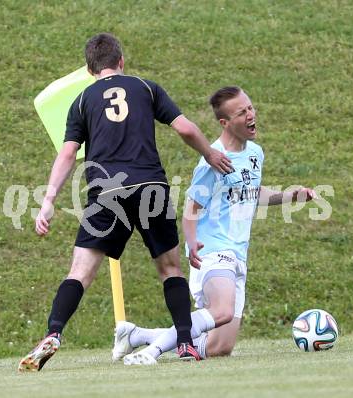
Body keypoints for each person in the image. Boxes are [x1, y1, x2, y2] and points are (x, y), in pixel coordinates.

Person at [18, 33, 232, 372]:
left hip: (106, 194)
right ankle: (186, 343)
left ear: (91, 70)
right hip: (151, 186)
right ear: (121, 61)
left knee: (80, 272)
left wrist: (48, 201)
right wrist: (210, 153)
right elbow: (185, 128)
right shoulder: (146, 88)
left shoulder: (82, 101)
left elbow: (69, 153)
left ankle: (54, 333)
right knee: (170, 270)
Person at [112, 86, 316, 364]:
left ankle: (137, 335)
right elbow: (191, 208)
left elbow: (253, 194)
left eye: (250, 107)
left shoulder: (255, 153)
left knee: (219, 347)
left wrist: (292, 196)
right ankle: (150, 352)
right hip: (213, 251)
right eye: (241, 112)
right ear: (225, 123)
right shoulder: (213, 160)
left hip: (238, 253)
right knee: (221, 311)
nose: (250, 115)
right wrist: (192, 242)